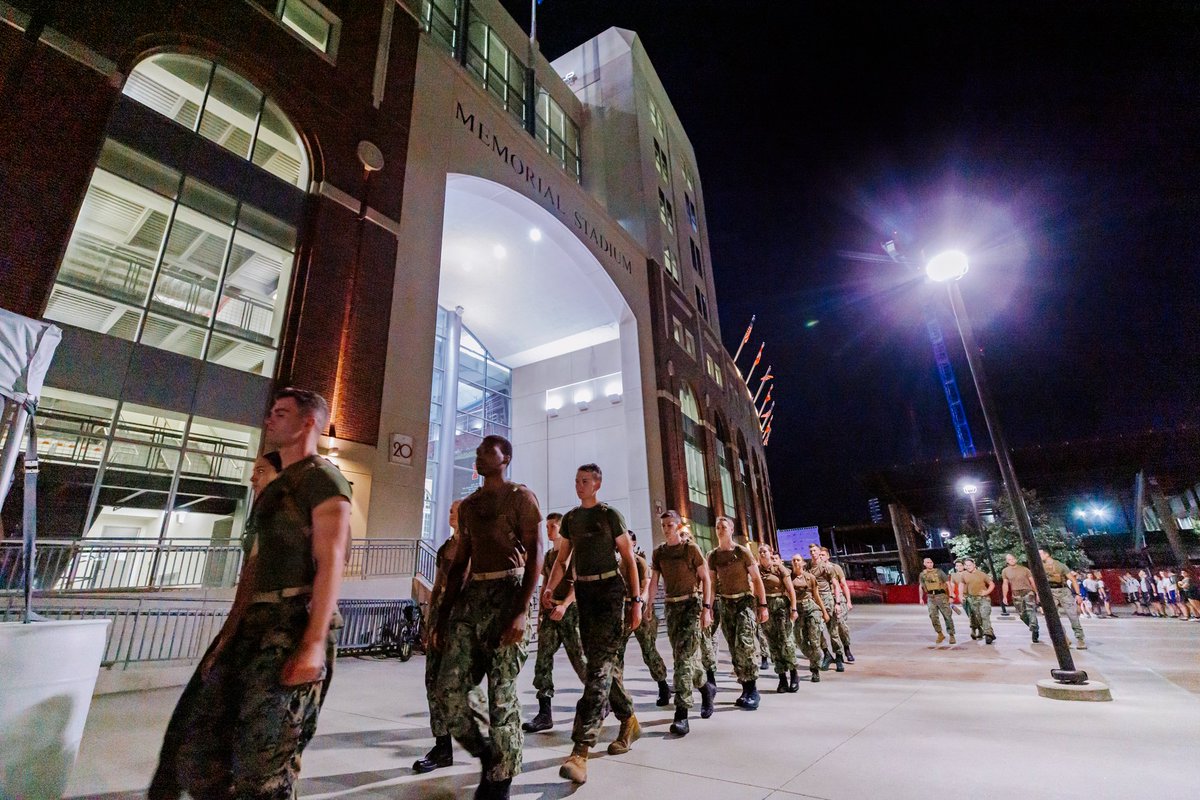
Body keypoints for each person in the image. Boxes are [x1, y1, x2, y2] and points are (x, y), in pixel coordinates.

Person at [149, 388, 352, 800]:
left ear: (308, 422)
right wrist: (226, 638)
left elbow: (331, 561)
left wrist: (312, 645)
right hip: (253, 626)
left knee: (264, 764)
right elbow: (253, 570)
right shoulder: (273, 491)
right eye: (271, 412)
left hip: (292, 624)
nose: (269, 419)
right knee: (198, 751)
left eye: (281, 413)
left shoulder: (322, 478)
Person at [431, 435, 543, 800]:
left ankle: (499, 780)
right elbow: (461, 560)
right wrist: (443, 615)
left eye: (486, 452)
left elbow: (536, 552)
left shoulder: (520, 498)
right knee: (448, 688)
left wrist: (522, 610)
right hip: (471, 597)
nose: (479, 456)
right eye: (477, 452)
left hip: (508, 594)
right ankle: (489, 754)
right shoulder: (469, 506)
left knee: (501, 692)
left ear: (505, 457)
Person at [544, 464, 642, 785]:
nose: (579, 485)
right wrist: (549, 588)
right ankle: (628, 719)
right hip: (584, 593)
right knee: (601, 666)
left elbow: (627, 558)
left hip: (610, 593)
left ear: (598, 483)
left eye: (584, 481)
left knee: (598, 669)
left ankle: (580, 750)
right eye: (576, 481)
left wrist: (636, 601)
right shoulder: (571, 519)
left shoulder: (609, 515)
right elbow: (562, 561)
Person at [415, 499, 487, 773]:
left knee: (461, 686)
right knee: (432, 682)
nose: (450, 514)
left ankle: (487, 742)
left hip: (462, 620)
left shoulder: (477, 548)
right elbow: (437, 588)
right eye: (449, 510)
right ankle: (442, 746)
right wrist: (431, 622)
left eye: (455, 510)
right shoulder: (446, 548)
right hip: (441, 618)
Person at [647, 510, 714, 735]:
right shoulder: (660, 553)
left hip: (691, 607)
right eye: (663, 525)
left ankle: (682, 713)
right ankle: (705, 688)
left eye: (669, 525)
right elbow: (654, 581)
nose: (666, 529)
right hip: (671, 607)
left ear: (678, 526)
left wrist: (706, 609)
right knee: (683, 659)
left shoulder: (690, 549)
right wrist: (648, 606)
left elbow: (705, 580)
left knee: (683, 660)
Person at [522, 512, 587, 734]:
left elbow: (578, 583)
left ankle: (600, 699)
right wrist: (542, 614)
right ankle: (544, 713)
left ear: (561, 528)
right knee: (542, 660)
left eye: (552, 526)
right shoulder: (550, 556)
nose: (549, 531)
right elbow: (545, 585)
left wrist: (565, 605)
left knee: (580, 660)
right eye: (547, 527)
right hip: (551, 611)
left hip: (570, 612)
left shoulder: (574, 553)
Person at [707, 516, 769, 708]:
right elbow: (711, 586)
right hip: (726, 604)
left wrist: (763, 605)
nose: (720, 530)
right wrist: (707, 608)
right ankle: (744, 687)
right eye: (717, 527)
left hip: (744, 602)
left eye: (723, 527)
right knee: (734, 648)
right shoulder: (713, 556)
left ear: (731, 529)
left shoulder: (742, 552)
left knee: (745, 644)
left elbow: (757, 580)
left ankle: (753, 690)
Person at [626, 530, 672, 707]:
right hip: (622, 610)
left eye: (627, 540)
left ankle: (663, 686)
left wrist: (641, 605)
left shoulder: (639, 562)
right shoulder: (617, 562)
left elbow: (646, 586)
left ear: (634, 542)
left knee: (649, 651)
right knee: (615, 654)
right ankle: (613, 695)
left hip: (639, 609)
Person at [757, 546, 800, 692]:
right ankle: (782, 677)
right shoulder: (757, 570)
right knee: (772, 642)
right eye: (760, 551)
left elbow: (790, 590)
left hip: (781, 605)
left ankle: (794, 673)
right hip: (766, 607)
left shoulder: (779, 569)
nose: (762, 553)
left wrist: (794, 608)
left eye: (765, 551)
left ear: (770, 553)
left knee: (786, 641)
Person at [789, 555, 829, 682]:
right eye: (794, 560)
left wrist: (824, 612)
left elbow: (816, 596)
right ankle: (814, 657)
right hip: (797, 610)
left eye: (798, 560)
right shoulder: (788, 577)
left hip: (811, 608)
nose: (796, 562)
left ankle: (814, 669)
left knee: (814, 640)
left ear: (803, 563)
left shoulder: (810, 577)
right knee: (799, 639)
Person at [809, 545, 847, 670]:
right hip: (815, 601)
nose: (813, 553)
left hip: (827, 599)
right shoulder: (808, 568)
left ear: (820, 552)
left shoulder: (827, 567)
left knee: (833, 631)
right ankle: (826, 654)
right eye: (811, 551)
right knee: (817, 630)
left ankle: (839, 657)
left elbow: (836, 586)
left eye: (815, 551)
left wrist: (837, 603)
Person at [1040, 549, 1087, 649]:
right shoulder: (1040, 566)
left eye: (1040, 554)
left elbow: (1073, 580)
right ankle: (1064, 638)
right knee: (1054, 618)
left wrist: (1078, 594)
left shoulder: (1060, 565)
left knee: (1073, 615)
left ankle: (1080, 639)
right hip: (1050, 592)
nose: (1038, 556)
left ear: (1047, 554)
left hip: (1063, 591)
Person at [1000, 553, 1039, 643]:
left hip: (1027, 592)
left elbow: (1032, 581)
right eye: (1009, 559)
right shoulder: (1005, 571)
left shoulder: (1025, 569)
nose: (1011, 561)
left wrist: (1036, 593)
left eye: (1013, 559)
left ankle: (1034, 629)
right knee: (1022, 614)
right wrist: (1004, 596)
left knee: (1030, 611)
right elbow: (1005, 584)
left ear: (1016, 559)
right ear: (1007, 561)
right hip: (1016, 594)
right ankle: (1033, 626)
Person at [917, 557, 956, 644]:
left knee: (947, 616)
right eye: (927, 562)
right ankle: (940, 633)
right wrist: (920, 598)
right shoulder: (922, 574)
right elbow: (921, 586)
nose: (930, 564)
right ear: (924, 564)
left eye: (931, 562)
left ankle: (951, 635)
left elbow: (947, 583)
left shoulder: (939, 572)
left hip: (941, 596)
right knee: (933, 616)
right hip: (930, 597)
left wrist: (950, 596)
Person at [959, 558, 996, 644]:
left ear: (974, 565)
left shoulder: (982, 574)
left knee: (984, 615)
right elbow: (961, 584)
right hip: (972, 599)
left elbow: (991, 584)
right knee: (978, 618)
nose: (968, 567)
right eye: (966, 565)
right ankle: (990, 633)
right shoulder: (964, 575)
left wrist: (986, 592)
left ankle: (988, 635)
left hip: (984, 599)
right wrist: (960, 595)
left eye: (970, 565)